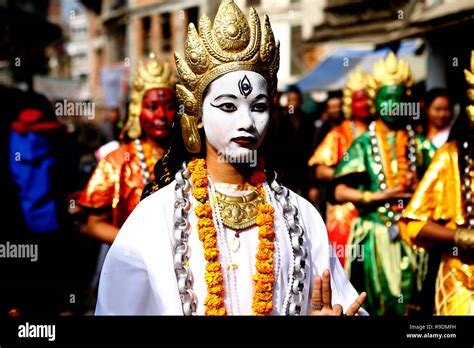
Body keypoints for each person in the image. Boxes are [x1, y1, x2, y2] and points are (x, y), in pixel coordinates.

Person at [95, 0, 367, 316]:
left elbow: (337, 304)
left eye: (259, 106)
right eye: (227, 106)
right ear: (196, 114)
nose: (247, 122)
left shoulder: (302, 217)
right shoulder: (156, 218)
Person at [333, 52, 436, 315]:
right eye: (386, 99)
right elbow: (339, 190)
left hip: (413, 237)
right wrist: (376, 197)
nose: (393, 106)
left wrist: (420, 186)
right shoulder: (364, 144)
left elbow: (440, 186)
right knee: (375, 305)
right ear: (375, 102)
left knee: (414, 308)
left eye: (398, 99)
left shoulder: (421, 144)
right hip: (374, 238)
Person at [399, 51, 474, 315]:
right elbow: (413, 224)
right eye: (437, 108)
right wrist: (461, 236)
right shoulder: (450, 155)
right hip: (461, 276)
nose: (441, 114)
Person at [78, 53, 177, 244]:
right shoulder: (115, 162)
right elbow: (94, 224)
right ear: (137, 110)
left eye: (170, 106)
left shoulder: (192, 157)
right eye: (152, 106)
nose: (162, 115)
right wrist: (140, 247)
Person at [308, 67, 374, 266]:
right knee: (344, 264)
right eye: (359, 99)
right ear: (350, 103)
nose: (365, 104)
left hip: (375, 209)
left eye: (368, 98)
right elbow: (319, 168)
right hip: (344, 210)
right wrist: (348, 175)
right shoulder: (339, 134)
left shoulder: (379, 132)